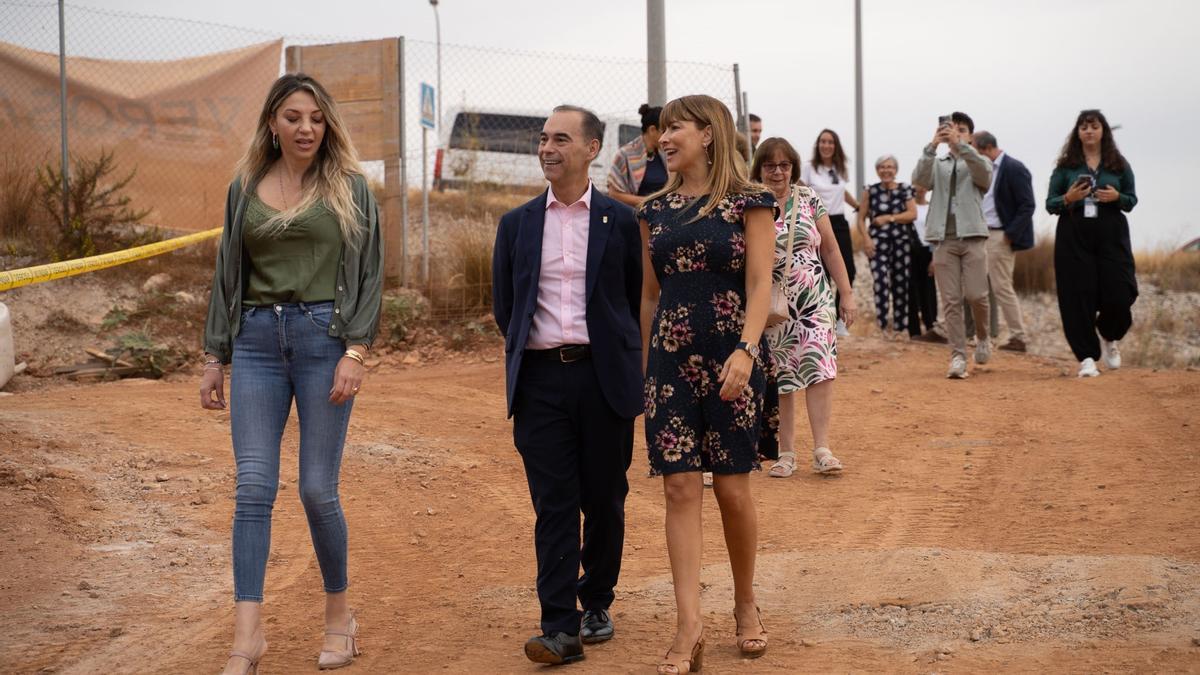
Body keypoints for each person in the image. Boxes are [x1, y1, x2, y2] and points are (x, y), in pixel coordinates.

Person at [201, 73, 383, 674]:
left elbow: (369, 274)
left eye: (316, 118)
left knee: (315, 488)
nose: (306, 128)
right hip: (255, 342)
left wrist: (356, 351)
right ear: (272, 124)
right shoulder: (244, 186)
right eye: (293, 117)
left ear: (327, 124)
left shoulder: (350, 187)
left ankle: (339, 617)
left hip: (323, 340)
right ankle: (247, 637)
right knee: (253, 487)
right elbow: (227, 273)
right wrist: (214, 356)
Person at [492, 105, 643, 665]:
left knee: (604, 497)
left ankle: (596, 599)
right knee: (554, 503)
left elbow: (634, 299)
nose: (547, 148)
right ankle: (559, 626)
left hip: (604, 379)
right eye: (543, 139)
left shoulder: (620, 222)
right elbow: (506, 307)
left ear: (591, 149)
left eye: (560, 139)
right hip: (539, 383)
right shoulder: (517, 224)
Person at [637, 94, 778, 674]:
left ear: (709, 134)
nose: (664, 138)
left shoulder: (750, 201)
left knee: (732, 489)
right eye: (663, 129)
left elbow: (761, 283)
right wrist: (646, 366)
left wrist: (747, 350)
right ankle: (688, 624)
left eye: (676, 128)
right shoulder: (654, 210)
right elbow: (650, 296)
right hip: (669, 361)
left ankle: (744, 601)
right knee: (678, 488)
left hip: (732, 358)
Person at [752, 138, 855, 477]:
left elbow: (831, 250)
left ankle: (822, 449)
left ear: (793, 168)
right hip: (772, 303)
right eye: (770, 165)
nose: (777, 172)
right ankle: (786, 453)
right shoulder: (750, 203)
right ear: (759, 169)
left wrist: (846, 293)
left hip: (815, 300)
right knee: (781, 374)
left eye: (784, 165)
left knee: (819, 368)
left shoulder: (809, 198)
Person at [1046, 109, 1137, 377]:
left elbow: (1131, 200)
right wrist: (1069, 198)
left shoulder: (1118, 164)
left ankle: (1109, 334)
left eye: (1094, 126)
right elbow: (1050, 203)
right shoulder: (1066, 166)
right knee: (1077, 295)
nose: (1089, 131)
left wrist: (1117, 197)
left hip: (1111, 234)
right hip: (1074, 234)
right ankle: (1086, 357)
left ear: (1103, 131)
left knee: (1121, 291)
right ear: (1077, 132)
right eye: (1084, 127)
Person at [912, 111, 993, 379]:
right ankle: (958, 356)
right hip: (943, 238)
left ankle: (983, 336)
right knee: (950, 301)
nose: (955, 132)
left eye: (961, 129)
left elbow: (984, 177)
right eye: (950, 128)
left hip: (973, 237)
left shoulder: (979, 160)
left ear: (970, 136)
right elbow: (919, 180)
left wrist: (961, 147)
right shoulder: (938, 163)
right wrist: (932, 145)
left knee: (977, 295)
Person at [973, 131, 1035, 352]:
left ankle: (1018, 337)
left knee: (1001, 287)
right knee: (976, 287)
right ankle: (982, 335)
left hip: (999, 236)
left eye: (975, 150)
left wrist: (1010, 233)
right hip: (980, 235)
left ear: (986, 148)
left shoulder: (1014, 168)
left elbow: (1027, 204)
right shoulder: (983, 169)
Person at [801, 129, 860, 337]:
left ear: (836, 146)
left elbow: (841, 192)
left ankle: (840, 321)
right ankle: (822, 319)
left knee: (848, 270)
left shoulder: (840, 168)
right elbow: (800, 190)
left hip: (839, 222)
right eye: (823, 141)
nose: (826, 145)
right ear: (818, 145)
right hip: (817, 221)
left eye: (830, 142)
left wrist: (858, 206)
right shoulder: (808, 168)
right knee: (822, 272)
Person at [856, 155, 917, 338]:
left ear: (895, 170)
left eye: (890, 167)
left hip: (901, 242)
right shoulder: (870, 190)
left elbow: (912, 214)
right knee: (880, 282)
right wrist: (866, 239)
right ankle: (881, 327)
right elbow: (861, 219)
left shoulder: (905, 189)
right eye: (882, 167)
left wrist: (889, 218)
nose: (886, 170)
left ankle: (899, 329)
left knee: (900, 284)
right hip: (877, 243)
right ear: (877, 170)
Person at [608, 104, 666, 208]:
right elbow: (614, 194)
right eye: (664, 131)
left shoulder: (665, 154)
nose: (668, 136)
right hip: (635, 213)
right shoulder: (625, 154)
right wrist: (650, 203)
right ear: (652, 130)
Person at [908, 185, 943, 340]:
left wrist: (935, 258)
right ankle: (914, 331)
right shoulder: (908, 207)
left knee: (929, 291)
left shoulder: (932, 208)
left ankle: (931, 328)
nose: (919, 189)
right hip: (911, 251)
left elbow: (937, 233)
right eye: (916, 185)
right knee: (911, 291)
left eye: (923, 185)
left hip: (928, 251)